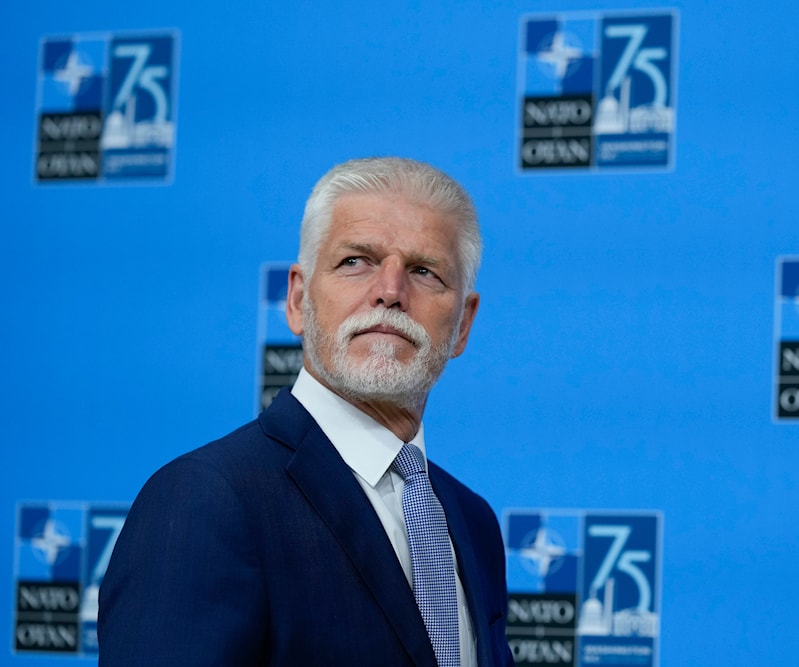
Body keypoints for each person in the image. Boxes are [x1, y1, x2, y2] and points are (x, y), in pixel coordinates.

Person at [98, 157, 515, 666]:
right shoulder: (206, 498)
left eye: (424, 272)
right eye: (355, 261)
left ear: (463, 326)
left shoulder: (473, 521)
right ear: (297, 299)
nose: (390, 291)